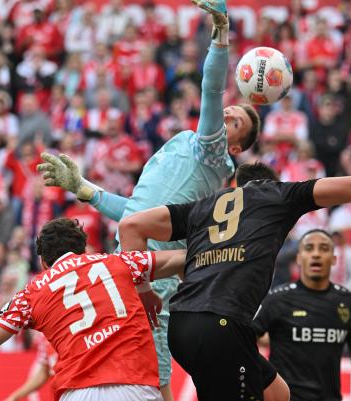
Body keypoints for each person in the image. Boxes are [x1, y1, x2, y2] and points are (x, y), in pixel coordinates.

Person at [118, 159, 351, 401]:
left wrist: (145, 292)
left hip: (183, 325)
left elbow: (130, 225)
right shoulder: (279, 195)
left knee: (278, 394)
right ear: (270, 184)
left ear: (233, 185)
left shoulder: (202, 207)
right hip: (221, 324)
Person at [37, 1, 260, 398]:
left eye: (236, 122)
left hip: (153, 269)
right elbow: (138, 213)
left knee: (151, 364)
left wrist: (220, 34)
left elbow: (210, 89)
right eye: (229, 112)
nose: (226, 116)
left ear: (237, 146)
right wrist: (86, 190)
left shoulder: (212, 153)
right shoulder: (184, 142)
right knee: (128, 361)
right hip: (129, 257)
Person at [0, 217, 186, 401]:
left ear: (42, 261)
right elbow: (183, 257)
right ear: (83, 248)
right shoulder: (119, 263)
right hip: (137, 388)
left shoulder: (31, 293)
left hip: (78, 394)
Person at [253, 229, 351, 401]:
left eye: (323, 248)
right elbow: (244, 338)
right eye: (309, 248)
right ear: (299, 258)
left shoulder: (347, 301)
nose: (316, 254)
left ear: (334, 259)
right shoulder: (278, 299)